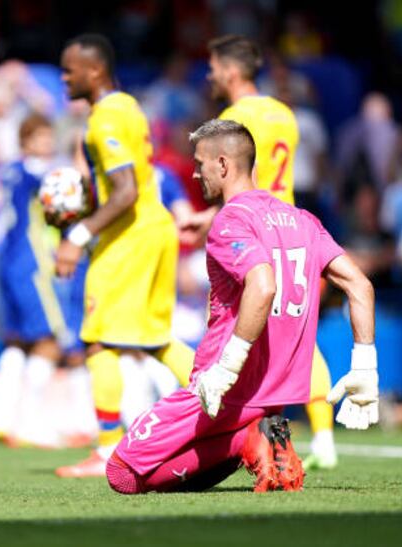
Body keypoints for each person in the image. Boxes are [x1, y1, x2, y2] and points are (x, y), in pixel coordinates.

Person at [106, 119, 379, 494]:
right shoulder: (304, 220)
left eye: (200, 164)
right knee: (163, 471)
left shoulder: (230, 220)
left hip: (222, 389)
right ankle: (252, 438)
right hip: (275, 398)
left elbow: (262, 285)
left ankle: (244, 440)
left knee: (122, 472)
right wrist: (365, 365)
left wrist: (227, 367)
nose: (196, 175)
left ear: (222, 164)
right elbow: (359, 285)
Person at [182, 35, 339, 470]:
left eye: (212, 67)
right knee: (300, 336)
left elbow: (241, 177)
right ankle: (322, 438)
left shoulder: (234, 118)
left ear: (231, 71)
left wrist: (216, 219)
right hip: (293, 227)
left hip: (254, 227)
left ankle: (234, 433)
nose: (209, 74)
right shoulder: (284, 113)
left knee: (235, 329)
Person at [52, 34, 195, 477]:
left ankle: (109, 449)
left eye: (69, 69)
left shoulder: (104, 120)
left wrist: (77, 233)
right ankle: (228, 406)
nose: (63, 77)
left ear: (94, 71)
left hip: (129, 234)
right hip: (156, 228)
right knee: (154, 338)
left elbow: (125, 191)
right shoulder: (128, 105)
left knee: (98, 341)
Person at [0, 113, 93, 448]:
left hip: (9, 261)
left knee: (18, 341)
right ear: (26, 141)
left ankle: (1, 419)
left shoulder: (8, 172)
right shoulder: (36, 174)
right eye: (40, 137)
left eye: (49, 136)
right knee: (49, 340)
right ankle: (31, 423)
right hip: (32, 266)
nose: (47, 143)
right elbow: (64, 198)